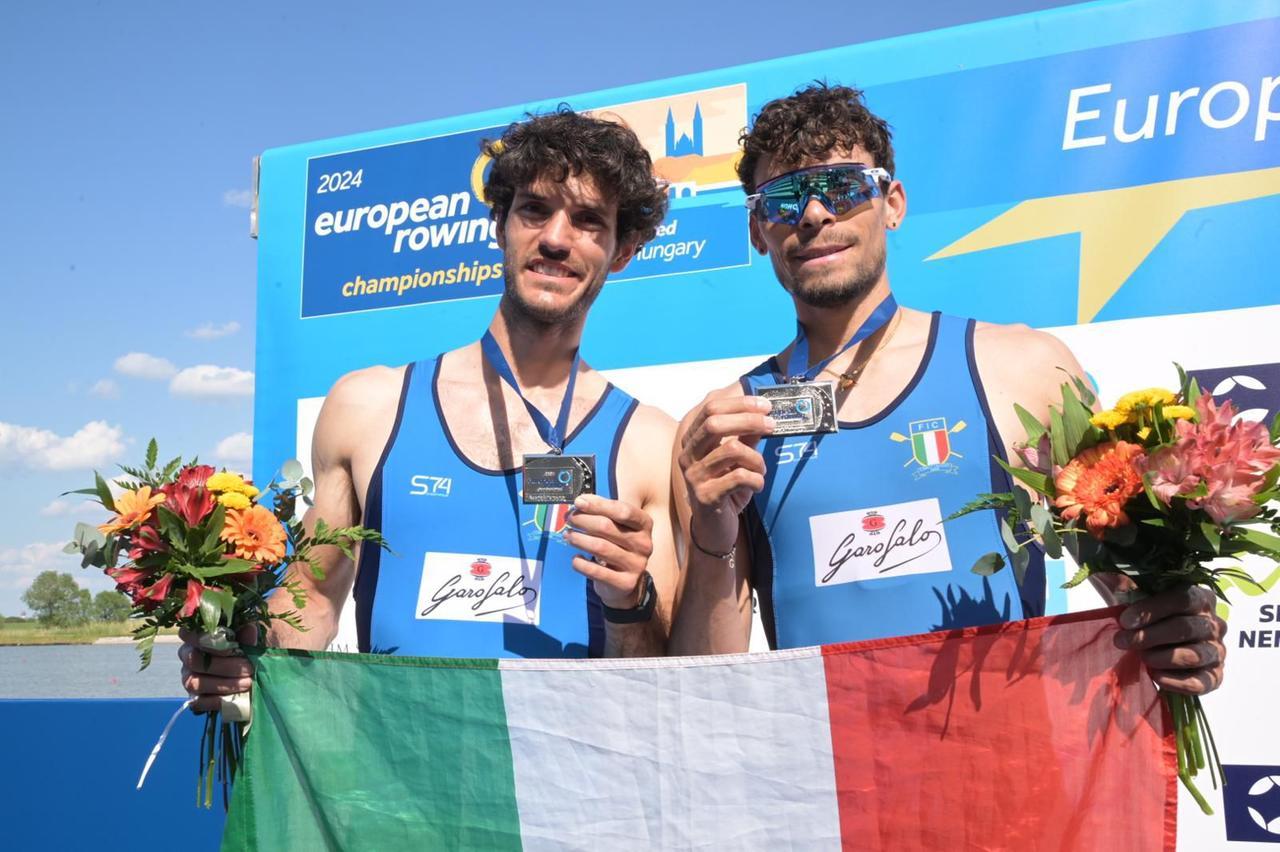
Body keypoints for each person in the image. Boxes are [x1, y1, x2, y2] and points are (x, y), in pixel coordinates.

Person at [670, 83, 1225, 698]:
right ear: (757, 231)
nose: (814, 215)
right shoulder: (728, 426)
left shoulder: (1023, 368)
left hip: (997, 776)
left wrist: (1178, 628)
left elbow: (1134, 593)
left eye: (843, 188)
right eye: (784, 200)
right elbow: (701, 685)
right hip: (828, 782)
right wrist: (711, 530)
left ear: (893, 202)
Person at [182, 109, 678, 710]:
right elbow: (311, 597)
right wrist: (241, 653)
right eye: (534, 210)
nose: (555, 237)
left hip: (565, 793)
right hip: (397, 787)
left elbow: (663, 681)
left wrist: (634, 602)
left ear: (622, 251)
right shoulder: (368, 407)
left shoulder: (651, 444)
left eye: (588, 221)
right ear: (500, 224)